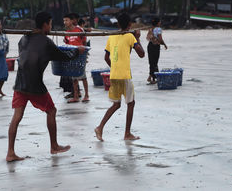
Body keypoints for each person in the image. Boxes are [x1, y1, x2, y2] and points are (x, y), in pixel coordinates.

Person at [6, 11, 85, 162]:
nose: (50, 27)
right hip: (35, 84)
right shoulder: (46, 41)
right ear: (45, 24)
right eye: (49, 24)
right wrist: (77, 51)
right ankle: (54, 146)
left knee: (16, 117)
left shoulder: (24, 38)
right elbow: (63, 56)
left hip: (19, 83)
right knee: (51, 111)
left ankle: (10, 152)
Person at [94, 13, 145, 142]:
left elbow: (106, 57)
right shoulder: (130, 36)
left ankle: (100, 127)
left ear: (117, 25)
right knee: (131, 103)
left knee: (116, 105)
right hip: (124, 76)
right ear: (129, 25)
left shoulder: (112, 37)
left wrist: (114, 67)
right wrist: (137, 38)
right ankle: (127, 133)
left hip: (114, 75)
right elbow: (142, 54)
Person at [63, 14, 89, 103]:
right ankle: (76, 96)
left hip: (80, 56)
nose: (65, 22)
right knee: (74, 78)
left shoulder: (79, 30)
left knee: (83, 76)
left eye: (66, 20)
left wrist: (85, 54)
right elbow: (66, 44)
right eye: (64, 21)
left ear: (71, 21)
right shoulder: (66, 33)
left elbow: (84, 42)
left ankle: (86, 95)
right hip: (72, 57)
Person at [146, 18, 167, 84]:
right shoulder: (158, 29)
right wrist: (164, 44)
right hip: (155, 47)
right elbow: (160, 39)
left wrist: (154, 39)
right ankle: (152, 77)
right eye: (159, 22)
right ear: (157, 23)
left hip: (150, 46)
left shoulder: (150, 29)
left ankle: (152, 78)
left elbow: (147, 38)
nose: (160, 23)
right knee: (155, 62)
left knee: (151, 62)